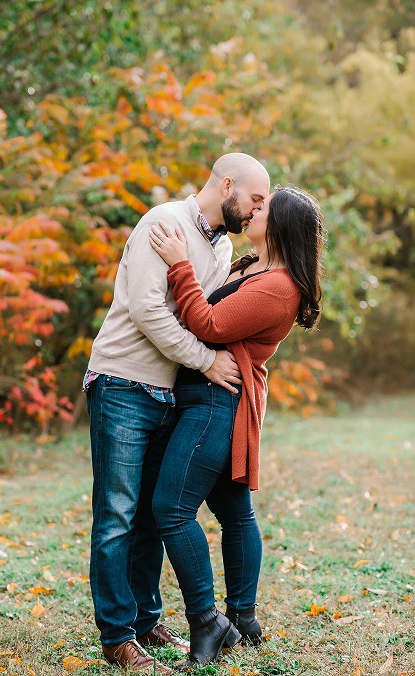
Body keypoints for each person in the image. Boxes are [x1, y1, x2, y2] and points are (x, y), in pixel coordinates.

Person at [85, 153, 271, 672]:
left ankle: (146, 622)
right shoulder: (163, 222)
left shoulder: (224, 247)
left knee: (148, 516)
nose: (257, 211)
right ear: (227, 184)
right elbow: (148, 310)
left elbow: (204, 317)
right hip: (122, 383)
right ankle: (118, 636)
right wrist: (206, 362)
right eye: (255, 200)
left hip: (167, 393)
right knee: (117, 517)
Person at [148, 186, 325, 667]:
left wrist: (179, 262)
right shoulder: (251, 266)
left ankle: (209, 622)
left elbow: (206, 323)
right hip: (209, 398)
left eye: (263, 206)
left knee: (171, 508)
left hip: (213, 404)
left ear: (283, 223)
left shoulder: (278, 286)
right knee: (234, 512)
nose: (253, 209)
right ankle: (243, 618)